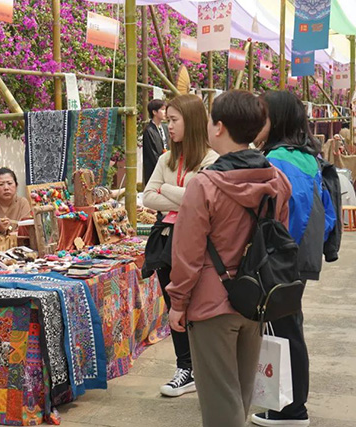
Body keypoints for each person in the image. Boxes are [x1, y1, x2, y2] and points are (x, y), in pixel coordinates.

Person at [168, 90, 292, 427]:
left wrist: (178, 301)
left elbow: (188, 252)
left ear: (219, 127)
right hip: (255, 297)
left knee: (221, 402)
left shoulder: (205, 185)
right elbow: (278, 240)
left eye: (210, 120)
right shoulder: (276, 180)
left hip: (211, 304)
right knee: (241, 393)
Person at [251, 91, 338, 427]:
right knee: (290, 328)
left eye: (262, 117)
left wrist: (277, 249)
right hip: (296, 259)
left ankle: (290, 410)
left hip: (278, 260)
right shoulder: (305, 156)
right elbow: (326, 215)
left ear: (277, 121)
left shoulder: (276, 161)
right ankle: (290, 405)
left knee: (281, 332)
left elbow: (277, 216)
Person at [142, 94, 218, 397]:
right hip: (165, 240)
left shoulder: (212, 160)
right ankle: (185, 367)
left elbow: (199, 200)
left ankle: (203, 366)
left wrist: (168, 189)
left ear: (193, 121)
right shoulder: (165, 158)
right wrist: (184, 194)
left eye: (174, 120)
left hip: (197, 241)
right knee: (174, 305)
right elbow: (148, 197)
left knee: (199, 305)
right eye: (168, 119)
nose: (168, 126)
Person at [141, 99, 169, 185]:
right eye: (163, 109)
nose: (165, 112)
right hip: (154, 170)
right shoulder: (149, 130)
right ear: (154, 112)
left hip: (167, 165)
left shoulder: (165, 127)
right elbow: (153, 154)